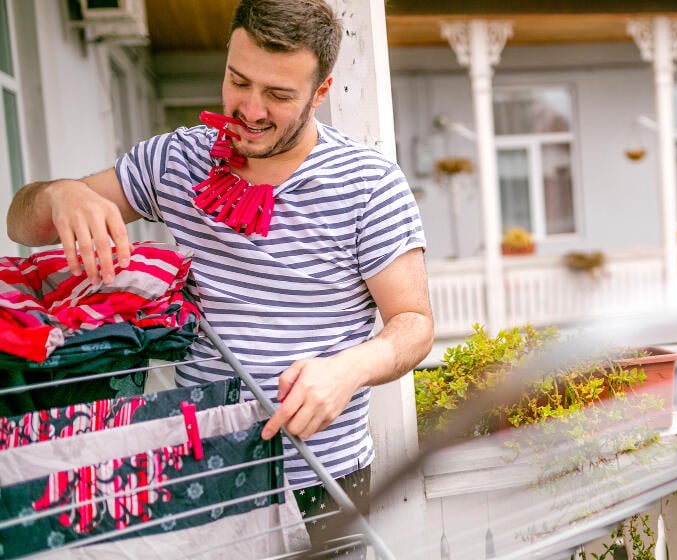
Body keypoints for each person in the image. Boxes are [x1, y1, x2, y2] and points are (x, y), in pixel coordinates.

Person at [5, 0, 433, 553]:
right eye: (238, 81)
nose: (250, 109)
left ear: (320, 93)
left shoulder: (370, 184)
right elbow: (23, 221)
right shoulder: (177, 160)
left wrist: (349, 369)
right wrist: (61, 194)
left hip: (321, 480)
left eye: (278, 95)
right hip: (199, 475)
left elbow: (415, 323)